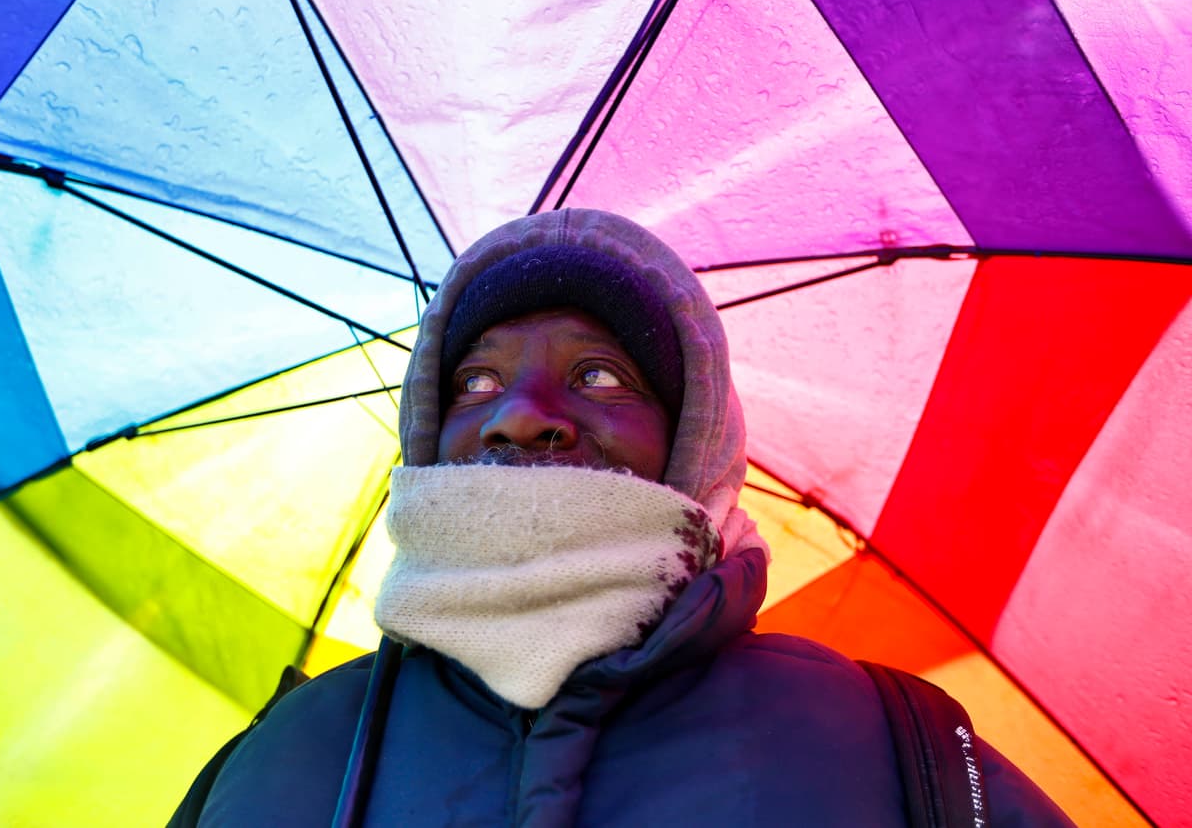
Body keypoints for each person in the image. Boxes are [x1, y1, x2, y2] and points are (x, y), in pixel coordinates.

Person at [175, 208, 1073, 826]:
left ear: (694, 442)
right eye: (474, 379)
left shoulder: (897, 743)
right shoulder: (282, 755)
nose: (516, 414)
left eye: (599, 374)